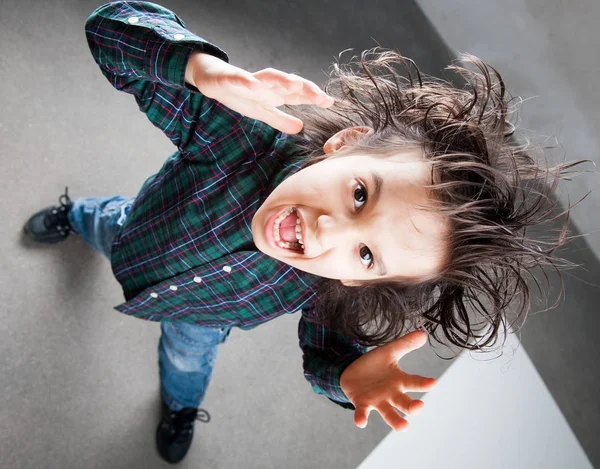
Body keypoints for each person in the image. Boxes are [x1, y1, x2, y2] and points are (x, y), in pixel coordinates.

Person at [23, 0, 588, 464]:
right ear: (344, 143)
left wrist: (346, 379)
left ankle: (177, 406)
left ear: (364, 282)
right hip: (135, 234)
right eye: (360, 194)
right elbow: (109, 30)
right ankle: (77, 215)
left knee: (187, 363)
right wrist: (199, 69)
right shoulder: (239, 137)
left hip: (198, 317)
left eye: (366, 254)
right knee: (104, 221)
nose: (331, 230)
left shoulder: (327, 289)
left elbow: (326, 356)